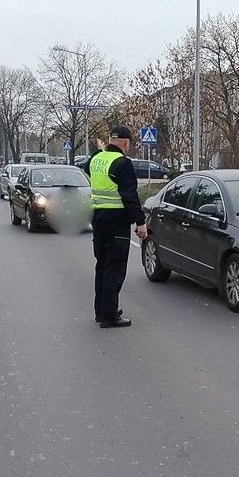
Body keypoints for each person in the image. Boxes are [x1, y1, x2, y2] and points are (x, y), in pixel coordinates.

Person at [85, 126, 147, 328]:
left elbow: (86, 167)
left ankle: (100, 311)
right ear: (125, 143)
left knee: (102, 267)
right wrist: (140, 222)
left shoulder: (96, 159)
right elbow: (130, 195)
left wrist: (99, 150)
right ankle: (110, 315)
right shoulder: (123, 163)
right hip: (117, 224)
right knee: (115, 269)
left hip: (98, 222)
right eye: (129, 144)